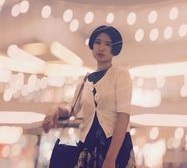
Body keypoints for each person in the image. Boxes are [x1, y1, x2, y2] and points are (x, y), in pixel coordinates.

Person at [42, 25, 136, 168]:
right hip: (88, 148)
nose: (101, 47)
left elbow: (123, 117)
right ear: (92, 45)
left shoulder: (120, 74)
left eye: (107, 44)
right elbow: (71, 110)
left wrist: (110, 159)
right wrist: (54, 109)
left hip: (115, 148)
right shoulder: (85, 80)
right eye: (98, 42)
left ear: (114, 49)